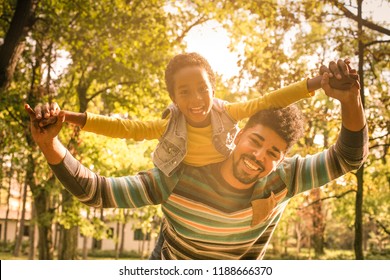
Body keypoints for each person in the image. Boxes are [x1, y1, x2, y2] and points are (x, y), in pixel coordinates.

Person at [26, 60, 368, 260]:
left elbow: (348, 158)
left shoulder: (285, 178)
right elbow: (98, 191)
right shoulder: (175, 177)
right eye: (256, 142)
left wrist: (349, 100)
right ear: (237, 135)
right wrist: (50, 144)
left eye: (274, 153)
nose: (259, 157)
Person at [31, 53, 357, 178]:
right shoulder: (168, 124)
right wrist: (67, 116)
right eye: (184, 92)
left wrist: (319, 82)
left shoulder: (228, 112)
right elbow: (124, 128)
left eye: (202, 88)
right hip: (180, 179)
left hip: (222, 178)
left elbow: (272, 98)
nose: (196, 99)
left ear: (213, 87)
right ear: (174, 98)